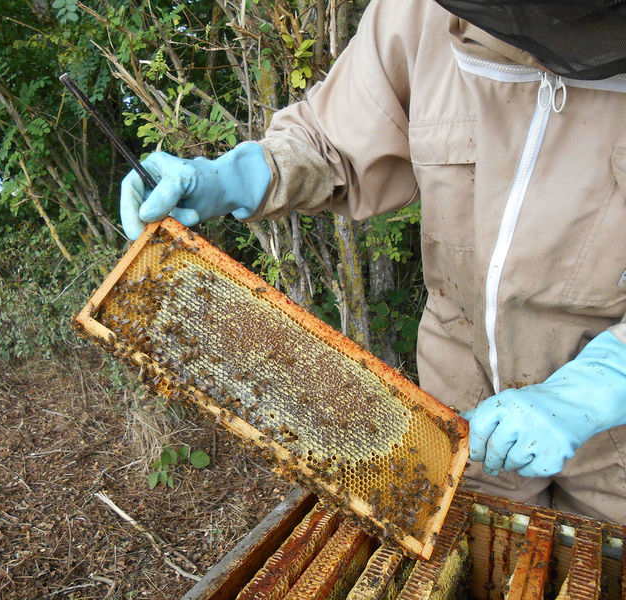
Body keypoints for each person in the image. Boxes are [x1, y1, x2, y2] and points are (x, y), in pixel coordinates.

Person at [120, 0, 626, 522]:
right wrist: (237, 176)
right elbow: (334, 138)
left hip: (617, 442)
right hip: (461, 405)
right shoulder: (420, 15)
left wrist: (601, 386)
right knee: (464, 551)